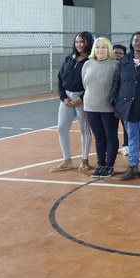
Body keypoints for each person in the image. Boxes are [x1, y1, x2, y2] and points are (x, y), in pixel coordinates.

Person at [110, 32, 140, 181]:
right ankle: (133, 167)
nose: (138, 43)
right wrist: (115, 99)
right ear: (131, 43)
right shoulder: (124, 60)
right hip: (128, 106)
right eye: (136, 40)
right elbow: (117, 81)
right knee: (132, 138)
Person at [51, 31, 94, 172]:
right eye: (77, 42)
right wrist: (63, 98)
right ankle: (67, 160)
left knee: (84, 130)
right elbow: (59, 79)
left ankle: (84, 160)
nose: (79, 44)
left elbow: (93, 84)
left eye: (82, 42)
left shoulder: (91, 60)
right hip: (67, 99)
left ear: (88, 42)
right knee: (61, 127)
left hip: (83, 98)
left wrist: (81, 98)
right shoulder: (69, 59)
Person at [82, 37, 120, 178]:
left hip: (108, 108)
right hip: (90, 106)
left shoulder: (115, 65)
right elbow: (85, 84)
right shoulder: (87, 64)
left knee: (110, 137)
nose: (100, 50)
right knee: (99, 138)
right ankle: (101, 165)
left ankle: (109, 165)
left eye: (103, 47)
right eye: (97, 47)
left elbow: (116, 86)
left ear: (108, 49)